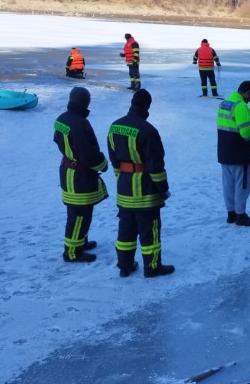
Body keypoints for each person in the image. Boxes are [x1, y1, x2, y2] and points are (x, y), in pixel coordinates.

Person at [107, 89, 174, 277]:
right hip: (145, 192)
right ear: (148, 107)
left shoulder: (114, 126)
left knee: (126, 230)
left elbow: (114, 159)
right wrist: (164, 189)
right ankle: (152, 267)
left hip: (124, 189)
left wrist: (122, 179)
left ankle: (125, 266)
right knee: (149, 231)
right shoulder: (148, 131)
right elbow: (156, 166)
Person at [53, 86, 108, 263]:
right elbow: (88, 153)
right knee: (78, 214)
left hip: (68, 170)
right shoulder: (80, 123)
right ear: (86, 102)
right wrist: (103, 164)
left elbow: (57, 139)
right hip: (80, 176)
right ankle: (72, 252)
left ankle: (80, 241)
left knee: (82, 212)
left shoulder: (62, 118)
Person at [217, 80, 250, 227]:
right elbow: (246, 131)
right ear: (246, 92)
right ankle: (241, 215)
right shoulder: (240, 106)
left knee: (228, 184)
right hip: (239, 154)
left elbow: (228, 125)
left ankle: (231, 213)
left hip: (224, 151)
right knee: (242, 185)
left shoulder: (225, 103)